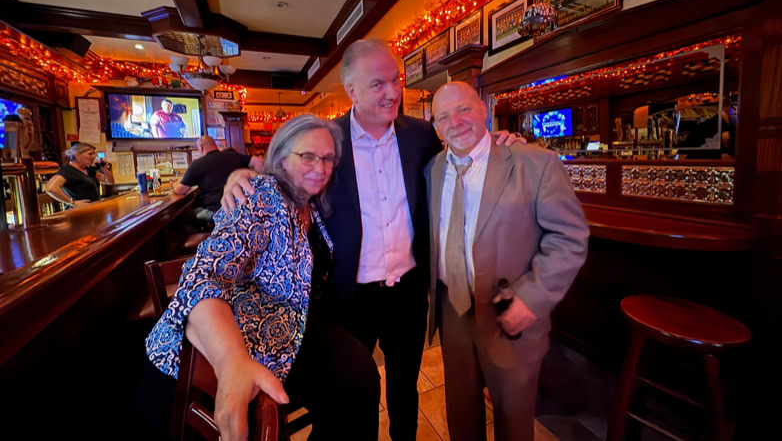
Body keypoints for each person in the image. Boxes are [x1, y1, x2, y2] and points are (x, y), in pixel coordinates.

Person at [221, 39, 519, 440]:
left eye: (395, 80)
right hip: (348, 295)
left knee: (404, 387)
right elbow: (284, 173)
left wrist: (501, 145)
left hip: (408, 292)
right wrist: (241, 173)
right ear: (352, 90)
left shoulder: (421, 136)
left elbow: (462, 160)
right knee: (350, 396)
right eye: (378, 84)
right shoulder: (327, 140)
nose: (392, 92)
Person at [142, 115, 380, 441]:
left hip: (285, 334)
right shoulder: (261, 195)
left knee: (357, 381)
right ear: (280, 158)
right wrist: (231, 360)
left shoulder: (313, 203)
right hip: (215, 353)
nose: (321, 167)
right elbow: (203, 273)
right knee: (355, 384)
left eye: (327, 158)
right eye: (307, 156)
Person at [426, 82, 589, 441]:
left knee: (513, 418)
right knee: (461, 413)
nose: (455, 122)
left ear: (484, 109)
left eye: (464, 109)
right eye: (444, 116)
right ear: (435, 126)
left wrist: (531, 299)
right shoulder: (433, 169)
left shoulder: (536, 163)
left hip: (509, 310)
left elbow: (570, 238)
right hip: (453, 309)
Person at [172, 135, 263, 223]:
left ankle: (209, 232)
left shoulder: (197, 164)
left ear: (201, 147)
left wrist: (174, 184)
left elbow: (181, 190)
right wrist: (255, 185)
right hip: (238, 209)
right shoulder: (234, 156)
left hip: (213, 211)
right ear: (214, 144)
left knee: (180, 220)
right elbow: (259, 162)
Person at [45, 142, 115, 206]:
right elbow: (50, 188)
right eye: (90, 154)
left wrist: (104, 168)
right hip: (79, 211)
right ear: (77, 156)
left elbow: (110, 181)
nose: (94, 156)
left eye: (94, 154)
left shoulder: (88, 170)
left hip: (93, 209)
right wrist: (72, 202)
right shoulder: (68, 170)